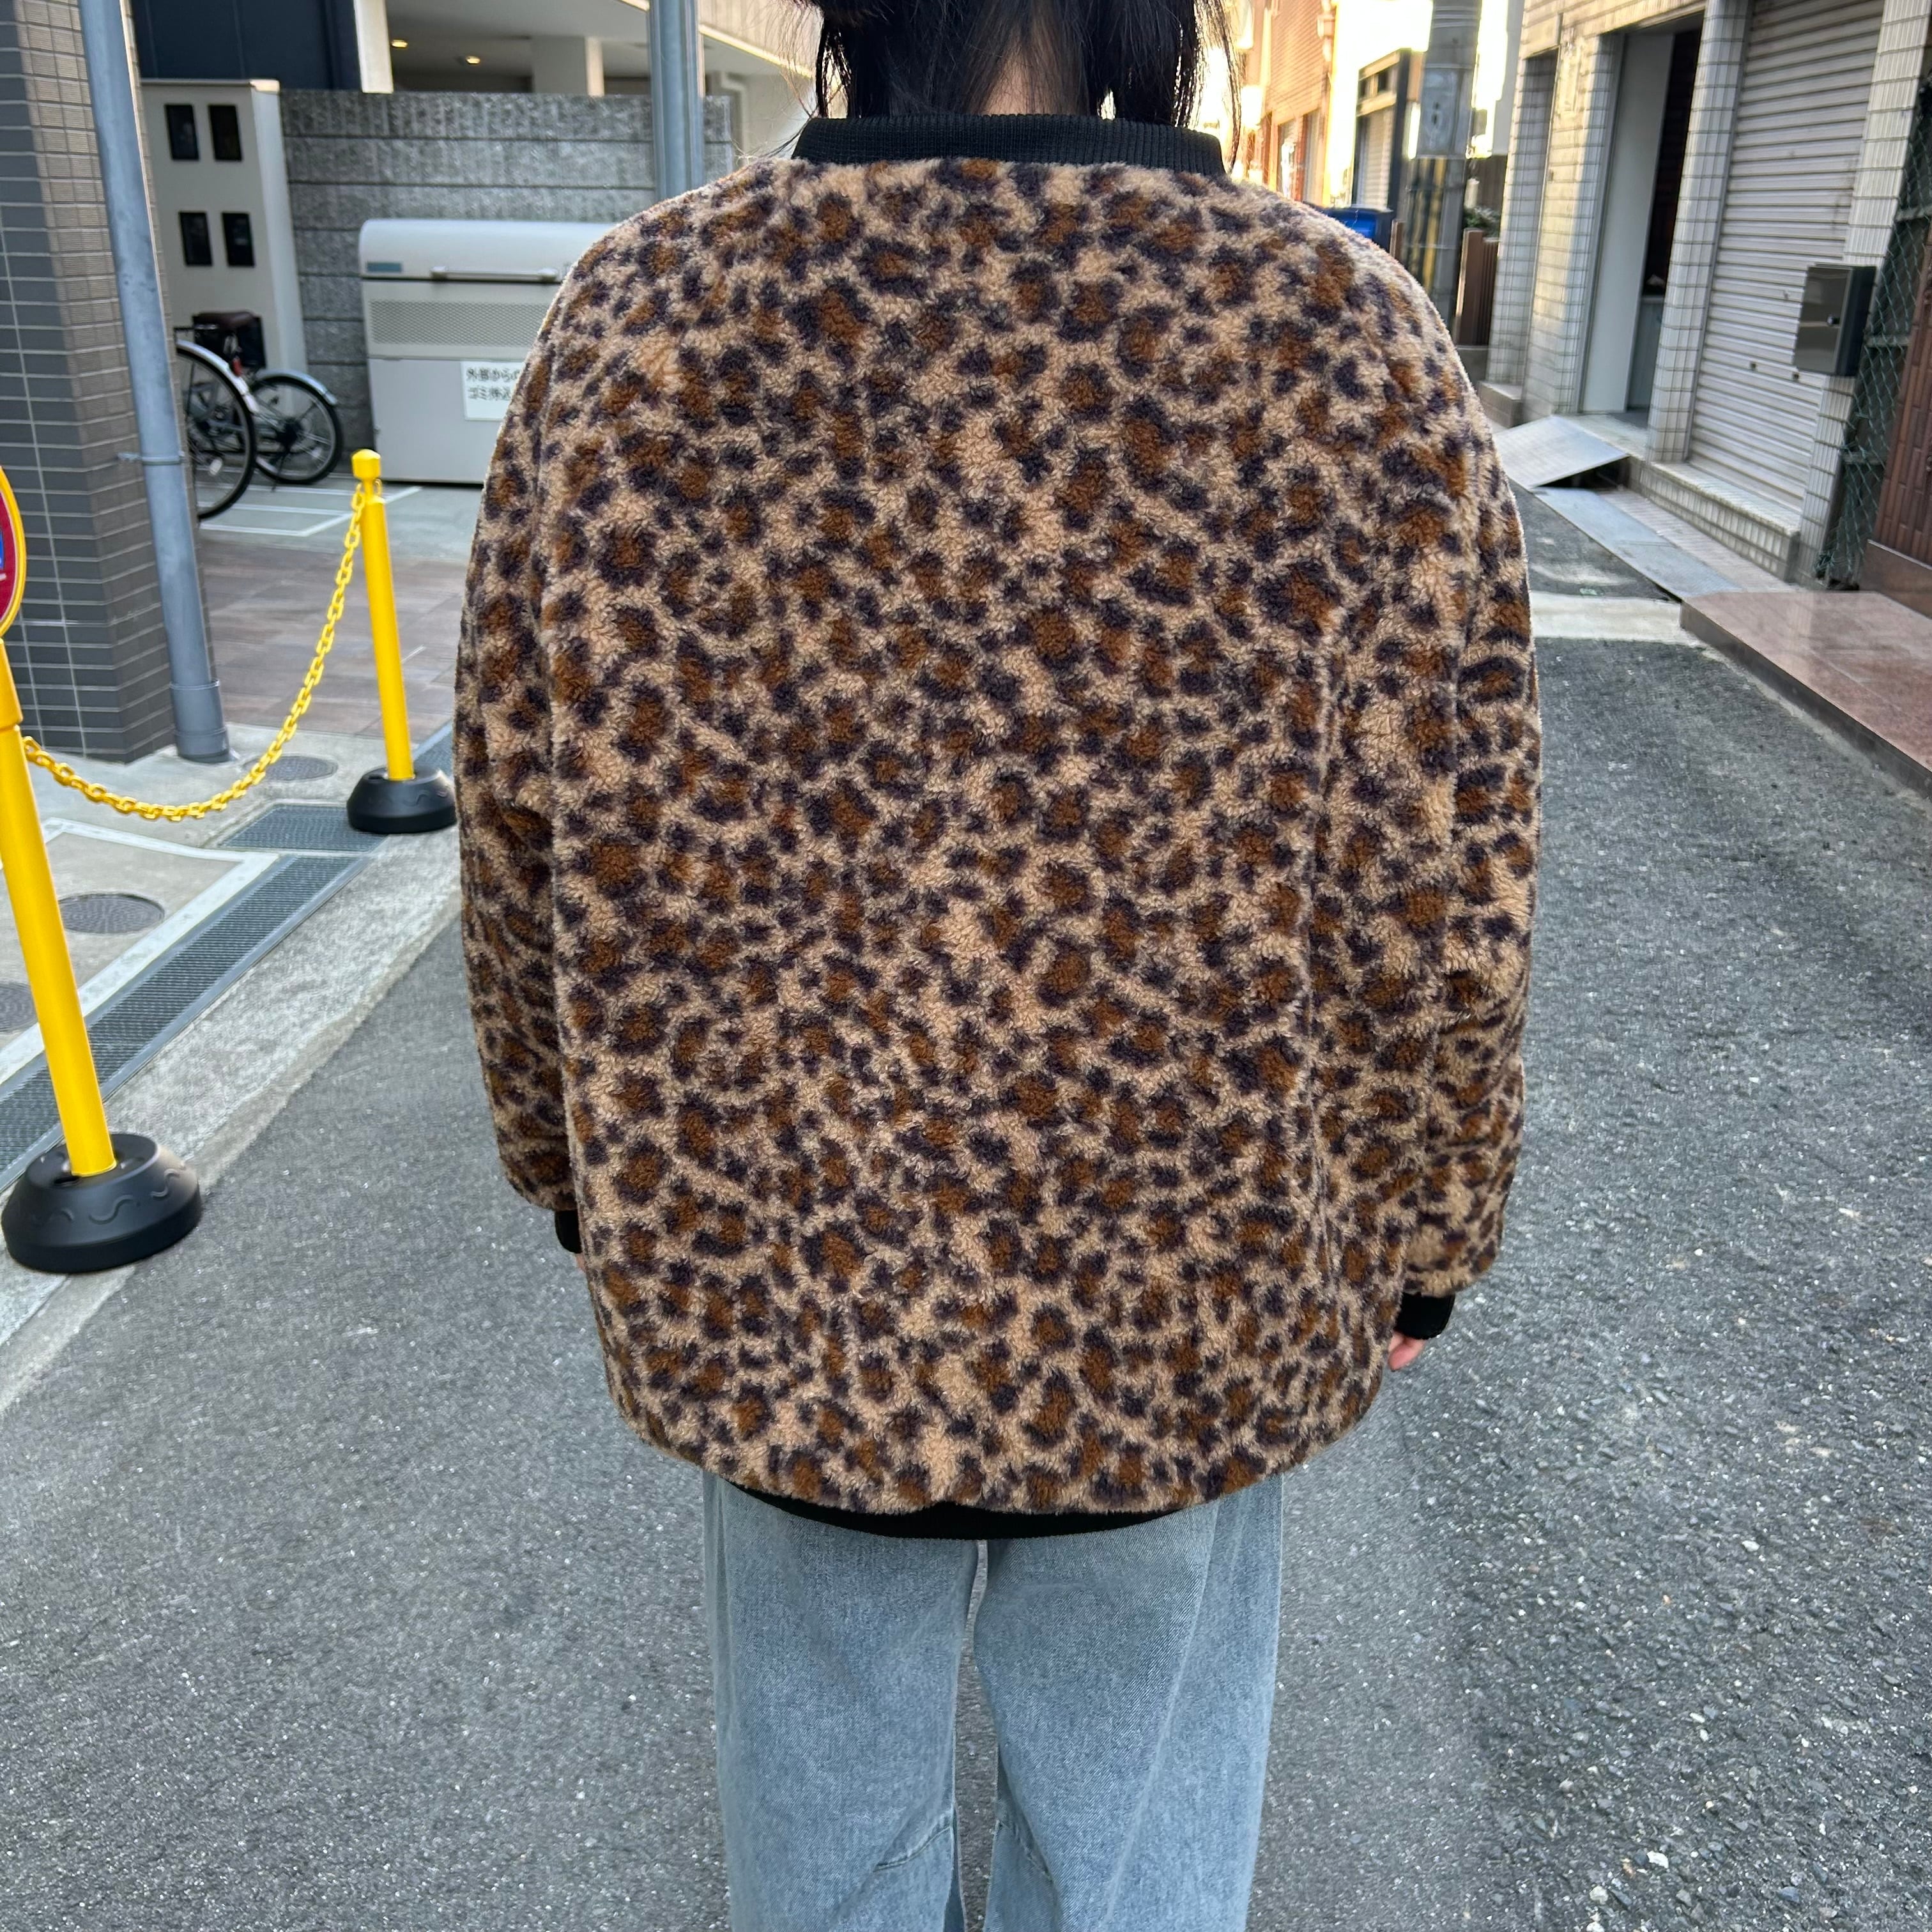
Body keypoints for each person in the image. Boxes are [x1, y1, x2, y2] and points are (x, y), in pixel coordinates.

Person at [454, 2, 1539, 1925]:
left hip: (779, 1273)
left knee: (823, 1838)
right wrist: (1427, 1231)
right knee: (1133, 1848)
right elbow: (1450, 867)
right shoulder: (1344, 339)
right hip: (1191, 1286)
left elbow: (518, 815)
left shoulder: (639, 323)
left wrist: (573, 1174)